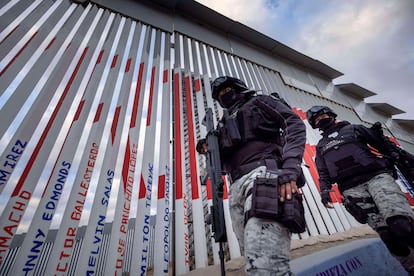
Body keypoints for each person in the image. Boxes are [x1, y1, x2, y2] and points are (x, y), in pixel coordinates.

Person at [202, 76, 307, 275]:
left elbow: (294, 124)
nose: (225, 95)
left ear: (239, 88)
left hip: (264, 175)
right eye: (220, 94)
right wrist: (210, 147)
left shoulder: (260, 102)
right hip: (235, 190)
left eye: (227, 89)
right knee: (252, 259)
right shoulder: (222, 125)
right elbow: (221, 167)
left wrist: (290, 167)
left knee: (264, 265)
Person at [306, 105, 414, 274]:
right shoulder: (321, 146)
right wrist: (324, 191)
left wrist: (400, 160)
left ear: (332, 115)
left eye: (322, 115)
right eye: (316, 119)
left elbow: (384, 146)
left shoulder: (354, 129)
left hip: (376, 177)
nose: (321, 119)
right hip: (351, 189)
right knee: (387, 237)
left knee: (400, 224)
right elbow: (323, 171)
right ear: (314, 125)